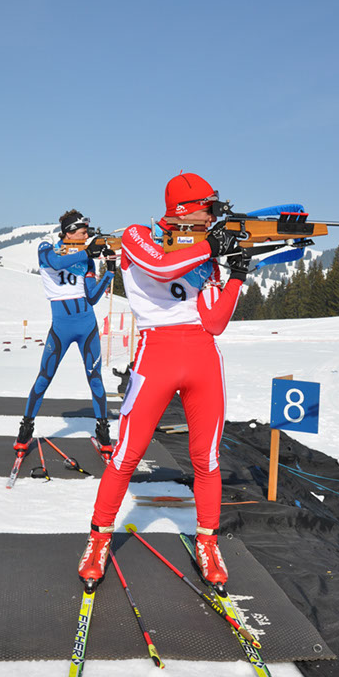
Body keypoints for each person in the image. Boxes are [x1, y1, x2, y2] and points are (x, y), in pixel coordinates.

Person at [78, 172, 250, 587]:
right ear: (186, 211)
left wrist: (236, 275)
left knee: (206, 459)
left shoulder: (203, 254)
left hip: (203, 358)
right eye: (208, 209)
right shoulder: (138, 236)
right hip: (155, 354)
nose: (213, 217)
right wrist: (210, 247)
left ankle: (207, 542)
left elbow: (215, 321)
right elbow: (159, 264)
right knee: (126, 455)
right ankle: (99, 538)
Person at [14, 210, 117, 458]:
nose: (86, 236)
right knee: (44, 378)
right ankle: (25, 430)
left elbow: (92, 298)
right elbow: (57, 263)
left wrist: (110, 271)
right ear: (69, 232)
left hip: (87, 326)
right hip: (61, 327)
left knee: (95, 379)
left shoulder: (87, 260)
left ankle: (103, 433)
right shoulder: (46, 248)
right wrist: (88, 252)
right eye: (82, 232)